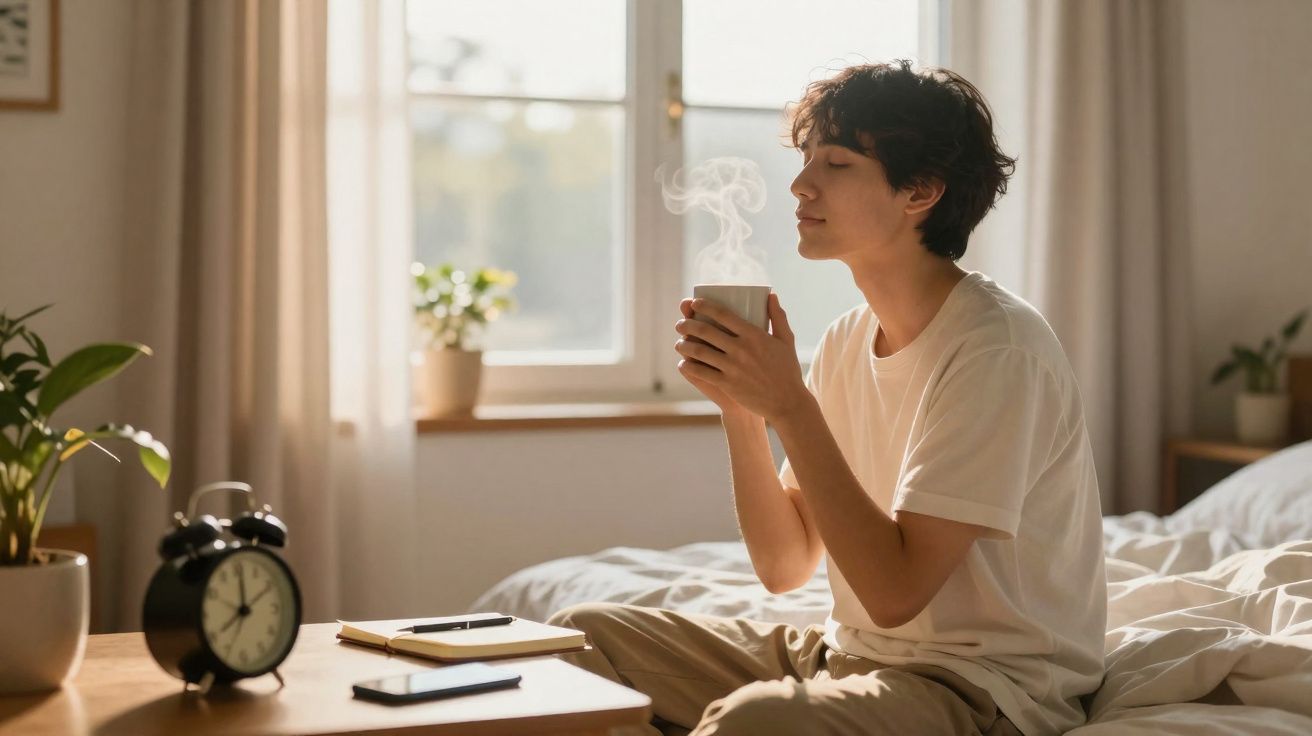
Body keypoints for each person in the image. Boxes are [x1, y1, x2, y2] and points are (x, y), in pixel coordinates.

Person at [548, 59, 1106, 736]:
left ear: (920, 191)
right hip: (847, 660)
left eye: (836, 163)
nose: (800, 184)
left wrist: (791, 406)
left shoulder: (998, 350)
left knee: (760, 721)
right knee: (576, 640)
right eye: (807, 158)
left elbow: (894, 594)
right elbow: (785, 566)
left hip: (978, 687)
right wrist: (742, 412)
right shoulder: (848, 339)